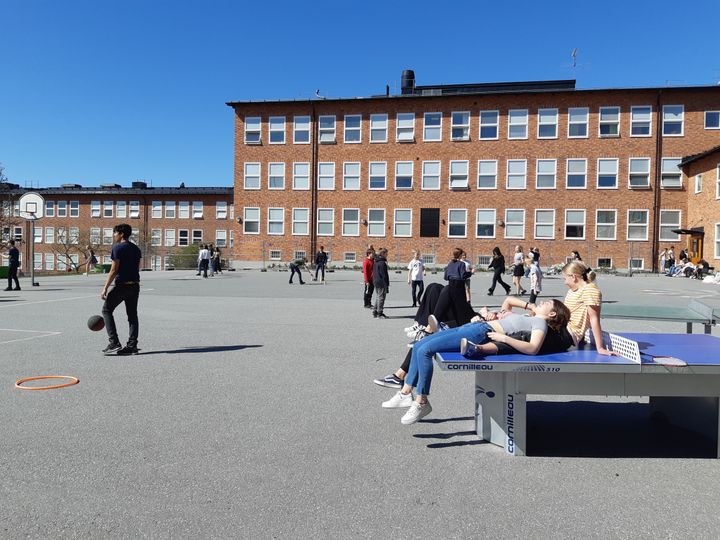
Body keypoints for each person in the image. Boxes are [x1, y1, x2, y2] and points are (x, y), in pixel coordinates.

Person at [383, 299, 571, 424]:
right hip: (476, 325)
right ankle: (406, 392)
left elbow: (533, 348)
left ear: (552, 314)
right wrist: (491, 313)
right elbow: (509, 302)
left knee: (425, 350)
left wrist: (503, 338)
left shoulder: (540, 323)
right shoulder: (530, 317)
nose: (541, 301)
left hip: (479, 332)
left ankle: (422, 401)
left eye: (546, 303)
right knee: (418, 345)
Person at [100, 224, 142, 355]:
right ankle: (132, 345)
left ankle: (114, 342)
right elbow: (137, 267)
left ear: (121, 234)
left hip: (122, 285)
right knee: (132, 315)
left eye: (115, 233)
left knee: (106, 310)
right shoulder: (136, 248)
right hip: (135, 285)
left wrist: (105, 288)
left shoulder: (117, 248)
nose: (114, 235)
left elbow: (113, 269)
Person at [372, 248, 390, 319]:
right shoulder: (382, 263)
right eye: (386, 253)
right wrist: (386, 284)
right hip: (381, 282)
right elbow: (384, 275)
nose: (387, 255)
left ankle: (375, 311)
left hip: (376, 281)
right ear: (382, 254)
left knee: (378, 297)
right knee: (381, 297)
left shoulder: (376, 261)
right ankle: (380, 313)